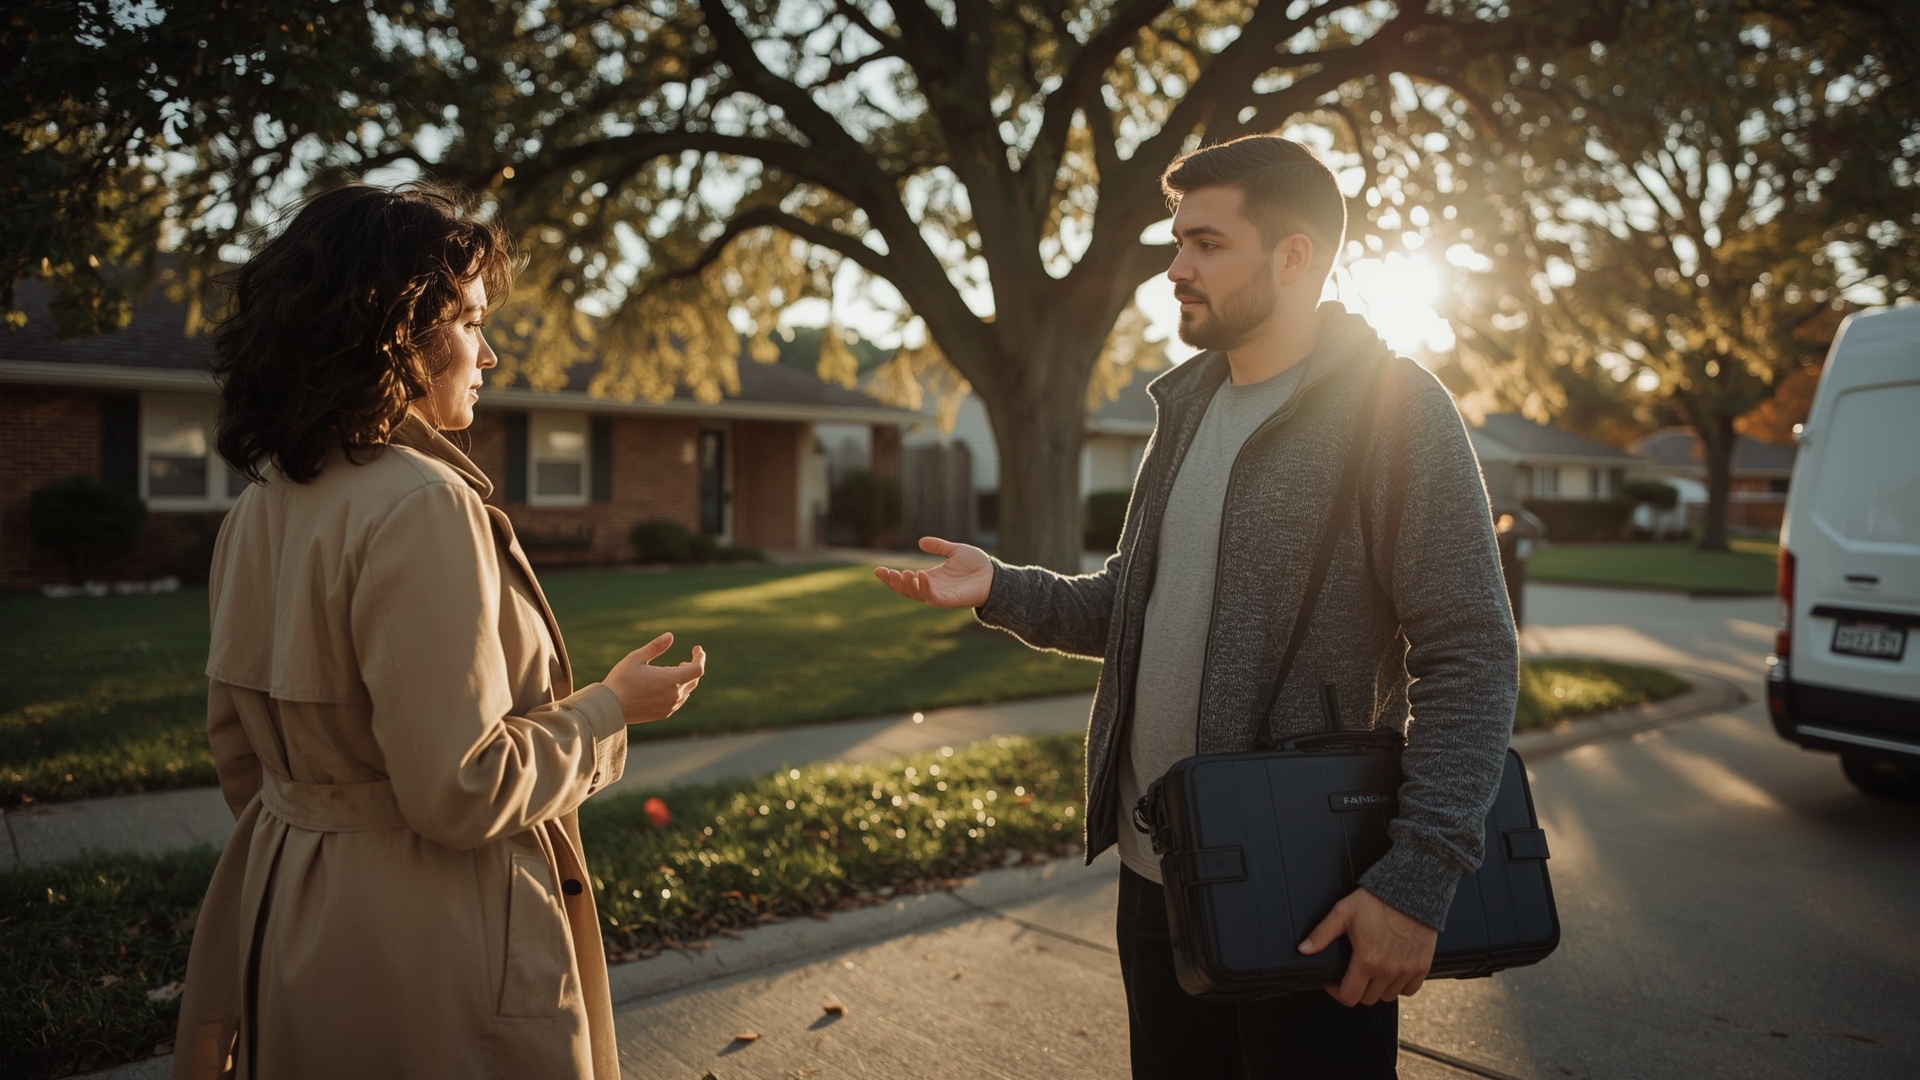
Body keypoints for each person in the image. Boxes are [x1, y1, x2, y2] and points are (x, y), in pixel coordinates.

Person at [875, 135, 1517, 1078]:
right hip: (1163, 868)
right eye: (1179, 241)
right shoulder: (1189, 409)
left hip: (1309, 879)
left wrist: (1416, 881)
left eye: (1207, 244)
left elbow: (1471, 653)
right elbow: (1131, 611)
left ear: (1293, 257)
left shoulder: (1397, 408)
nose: (1176, 268)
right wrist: (1001, 587)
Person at [171, 183, 706, 1080]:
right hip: (435, 947)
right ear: (393, 332)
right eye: (469, 322)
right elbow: (463, 789)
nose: (488, 353)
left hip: (289, 921)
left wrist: (321, 846)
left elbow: (239, 754)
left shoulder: (258, 506)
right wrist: (609, 709)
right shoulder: (424, 504)